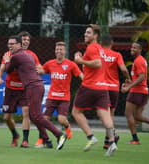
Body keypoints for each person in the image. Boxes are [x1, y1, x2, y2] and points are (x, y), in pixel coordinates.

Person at [3, 35, 67, 150]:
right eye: (9, 44)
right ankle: (46, 140)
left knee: (36, 115)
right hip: (36, 86)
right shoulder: (27, 55)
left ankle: (59, 134)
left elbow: (8, 70)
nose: (10, 46)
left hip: (33, 87)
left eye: (12, 44)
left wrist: (7, 61)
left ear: (19, 45)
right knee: (33, 116)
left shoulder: (16, 56)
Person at [72, 24, 117, 156]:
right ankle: (112, 142)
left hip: (89, 86)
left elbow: (97, 63)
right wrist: (82, 58)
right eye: (85, 33)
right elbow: (95, 63)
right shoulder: (99, 48)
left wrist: (80, 60)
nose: (85, 34)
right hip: (103, 87)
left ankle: (91, 137)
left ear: (95, 36)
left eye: (88, 33)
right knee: (105, 117)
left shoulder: (92, 47)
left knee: (76, 112)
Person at [34, 41, 83, 148]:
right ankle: (42, 139)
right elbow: (41, 70)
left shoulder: (71, 64)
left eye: (61, 49)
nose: (59, 51)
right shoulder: (50, 63)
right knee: (44, 120)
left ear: (64, 51)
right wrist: (35, 68)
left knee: (61, 119)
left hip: (64, 97)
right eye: (57, 49)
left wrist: (87, 83)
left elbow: (80, 75)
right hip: (51, 97)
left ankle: (67, 127)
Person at [0, 31, 42, 148]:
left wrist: (39, 71)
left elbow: (40, 68)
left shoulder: (32, 55)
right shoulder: (8, 54)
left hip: (24, 89)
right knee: (6, 117)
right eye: (23, 40)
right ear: (18, 43)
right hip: (10, 89)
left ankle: (25, 140)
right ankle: (15, 135)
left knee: (26, 113)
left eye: (27, 40)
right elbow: (2, 68)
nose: (25, 42)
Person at [101, 34, 131, 149]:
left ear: (101, 43)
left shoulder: (98, 53)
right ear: (112, 43)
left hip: (101, 87)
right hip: (114, 87)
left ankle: (112, 135)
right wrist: (128, 79)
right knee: (110, 114)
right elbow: (123, 69)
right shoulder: (116, 55)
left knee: (103, 113)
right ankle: (108, 140)